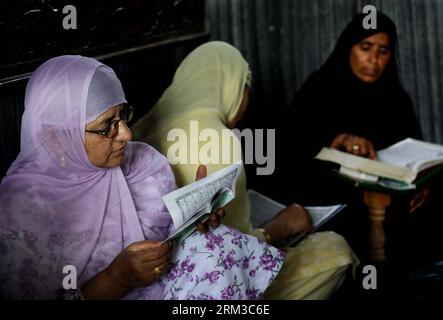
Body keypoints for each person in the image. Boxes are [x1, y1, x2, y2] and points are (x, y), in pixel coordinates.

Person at [0, 55, 286, 300]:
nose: (126, 133)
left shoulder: (143, 164)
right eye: (107, 127)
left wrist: (195, 220)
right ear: (57, 137)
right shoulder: (22, 205)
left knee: (215, 245)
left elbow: (169, 248)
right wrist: (114, 280)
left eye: (123, 116)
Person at [131, 41, 359, 299]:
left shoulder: (141, 128)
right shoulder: (217, 138)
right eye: (245, 86)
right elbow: (234, 256)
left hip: (149, 282)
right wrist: (282, 226)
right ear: (230, 85)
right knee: (336, 250)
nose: (246, 100)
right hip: (204, 285)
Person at [273, 12, 429, 210]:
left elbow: (414, 151)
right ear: (349, 47)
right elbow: (290, 142)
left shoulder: (395, 97)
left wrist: (421, 183)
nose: (373, 59)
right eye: (365, 48)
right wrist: (339, 138)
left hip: (387, 202)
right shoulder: (320, 87)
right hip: (330, 199)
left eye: (383, 51)